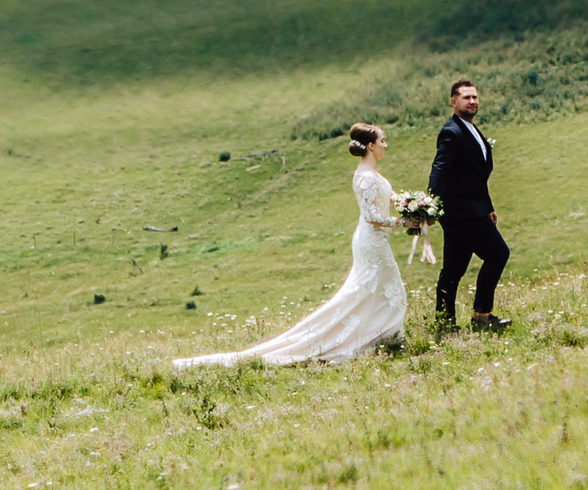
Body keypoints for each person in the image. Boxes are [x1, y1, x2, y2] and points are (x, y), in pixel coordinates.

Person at [173, 123, 421, 369]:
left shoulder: (372, 174)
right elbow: (370, 215)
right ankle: (370, 339)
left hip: (377, 241)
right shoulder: (365, 177)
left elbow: (390, 197)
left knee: (380, 290)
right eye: (382, 141)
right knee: (382, 290)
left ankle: (380, 338)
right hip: (371, 241)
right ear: (370, 145)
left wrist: (415, 205)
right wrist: (402, 222)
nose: (385, 145)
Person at [429, 79, 511, 332]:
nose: (472, 101)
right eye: (466, 97)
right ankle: (482, 316)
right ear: (454, 101)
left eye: (475, 97)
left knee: (453, 269)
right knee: (498, 254)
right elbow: (439, 168)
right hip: (461, 212)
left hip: (472, 209)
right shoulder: (451, 132)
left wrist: (488, 206)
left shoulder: (472, 130)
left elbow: (474, 176)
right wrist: (429, 202)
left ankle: (444, 322)